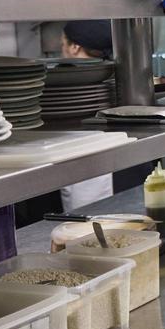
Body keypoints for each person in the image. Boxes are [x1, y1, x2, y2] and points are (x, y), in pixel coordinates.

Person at [59, 20, 114, 211]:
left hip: (86, 168)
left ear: (75, 47)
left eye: (63, 45)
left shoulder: (65, 84)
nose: (62, 51)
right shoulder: (115, 73)